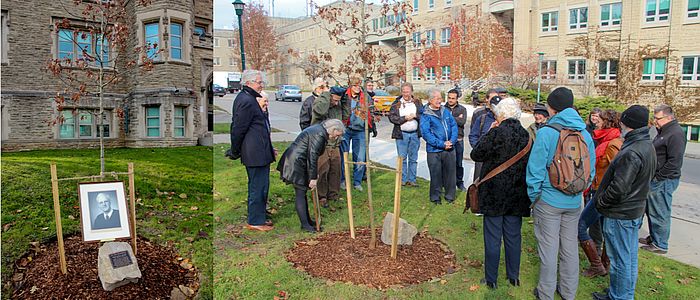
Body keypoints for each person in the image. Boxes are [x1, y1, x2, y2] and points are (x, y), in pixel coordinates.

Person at [526, 87, 596, 300]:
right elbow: (590, 170)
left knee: (548, 249)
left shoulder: (547, 131)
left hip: (548, 200)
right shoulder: (584, 133)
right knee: (569, 249)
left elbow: (535, 169)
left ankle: (545, 293)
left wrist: (534, 197)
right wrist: (578, 191)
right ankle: (568, 292)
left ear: (551, 107)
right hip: (574, 201)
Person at [592, 105, 656, 300]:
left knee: (621, 260)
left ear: (628, 124)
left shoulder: (633, 151)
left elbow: (619, 188)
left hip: (621, 213)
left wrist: (601, 202)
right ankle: (621, 293)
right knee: (627, 259)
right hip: (632, 210)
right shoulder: (645, 144)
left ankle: (619, 296)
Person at [470, 98, 531, 289]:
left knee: (493, 237)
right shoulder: (527, 136)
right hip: (517, 193)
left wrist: (488, 132)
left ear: (502, 115)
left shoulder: (496, 133)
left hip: (494, 193)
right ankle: (514, 277)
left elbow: (476, 154)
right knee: (513, 237)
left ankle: (491, 279)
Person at [277, 119, 346, 232]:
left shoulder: (320, 131)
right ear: (333, 130)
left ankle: (308, 221)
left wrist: (313, 174)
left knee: (302, 192)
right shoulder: (320, 134)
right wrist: (313, 178)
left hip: (299, 161)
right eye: (338, 134)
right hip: (296, 163)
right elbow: (312, 156)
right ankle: (305, 225)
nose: (337, 137)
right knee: (300, 193)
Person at [578, 109, 622, 278]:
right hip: (597, 189)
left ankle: (598, 265)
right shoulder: (603, 138)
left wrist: (607, 195)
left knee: (581, 226)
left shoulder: (612, 143)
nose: (597, 121)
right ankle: (602, 264)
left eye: (601, 119)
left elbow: (618, 174)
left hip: (602, 194)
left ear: (608, 122)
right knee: (603, 231)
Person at [230, 69, 276, 232]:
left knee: (263, 186)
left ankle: (260, 215)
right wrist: (235, 150)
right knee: (257, 186)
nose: (261, 85)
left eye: (261, 82)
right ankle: (255, 221)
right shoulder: (246, 100)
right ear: (248, 83)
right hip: (254, 152)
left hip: (261, 151)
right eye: (258, 82)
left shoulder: (252, 99)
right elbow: (238, 128)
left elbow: (260, 126)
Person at [640, 104, 687, 254]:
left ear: (668, 117)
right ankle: (654, 237)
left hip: (664, 180)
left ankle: (660, 244)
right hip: (657, 178)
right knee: (651, 209)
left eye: (658, 118)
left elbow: (674, 162)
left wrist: (658, 177)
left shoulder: (675, 134)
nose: (655, 121)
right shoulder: (664, 131)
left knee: (659, 211)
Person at [310, 86, 349, 207]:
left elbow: (346, 115)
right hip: (322, 143)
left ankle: (333, 194)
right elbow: (320, 111)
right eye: (334, 100)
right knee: (323, 169)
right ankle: (321, 196)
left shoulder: (338, 105)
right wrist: (327, 96)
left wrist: (345, 99)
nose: (336, 103)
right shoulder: (321, 102)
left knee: (335, 170)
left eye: (338, 100)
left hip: (335, 143)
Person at [420, 88, 458, 204]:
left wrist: (451, 141)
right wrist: (442, 144)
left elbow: (454, 126)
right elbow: (426, 134)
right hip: (434, 150)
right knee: (435, 175)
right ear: (430, 100)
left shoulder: (445, 111)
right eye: (437, 98)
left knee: (450, 174)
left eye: (440, 98)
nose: (439, 101)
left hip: (449, 148)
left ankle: (450, 196)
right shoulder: (425, 115)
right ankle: (435, 197)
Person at [340, 76, 375, 191]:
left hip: (360, 130)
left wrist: (371, 126)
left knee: (360, 157)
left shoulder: (366, 97)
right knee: (344, 156)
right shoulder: (344, 96)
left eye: (359, 85)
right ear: (350, 86)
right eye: (355, 85)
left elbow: (372, 112)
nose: (357, 88)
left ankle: (357, 182)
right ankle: (343, 181)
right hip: (345, 129)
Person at [388, 82, 423, 187]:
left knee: (413, 159)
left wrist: (415, 116)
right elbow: (392, 117)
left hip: (414, 134)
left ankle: (412, 180)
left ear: (411, 92)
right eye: (404, 92)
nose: (406, 94)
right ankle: (402, 180)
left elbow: (424, 115)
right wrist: (404, 118)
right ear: (401, 92)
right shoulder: (396, 103)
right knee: (402, 159)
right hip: (401, 135)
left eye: (408, 92)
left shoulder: (417, 102)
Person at [469, 89, 499, 185]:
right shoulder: (481, 117)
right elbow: (473, 135)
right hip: (482, 157)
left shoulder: (505, 119)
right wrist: (478, 149)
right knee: (478, 183)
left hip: (496, 158)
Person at [445, 88, 468, 191]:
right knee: (446, 163)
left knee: (458, 163)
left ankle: (459, 182)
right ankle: (447, 182)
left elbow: (462, 122)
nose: (450, 100)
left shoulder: (462, 109)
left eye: (453, 98)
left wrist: (449, 118)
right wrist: (456, 118)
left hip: (458, 139)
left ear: (457, 99)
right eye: (449, 98)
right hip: (446, 139)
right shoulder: (442, 108)